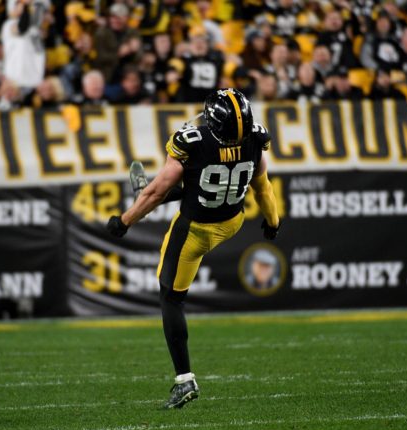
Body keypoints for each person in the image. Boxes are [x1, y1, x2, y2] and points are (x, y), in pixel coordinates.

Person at [106, 88, 281, 409]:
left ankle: (183, 379)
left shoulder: (193, 141)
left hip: (196, 229)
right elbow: (262, 185)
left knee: (171, 297)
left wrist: (125, 220)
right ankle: (147, 190)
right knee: (196, 178)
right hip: (232, 221)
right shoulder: (256, 138)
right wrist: (272, 220)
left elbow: (159, 193)